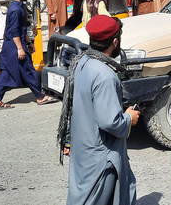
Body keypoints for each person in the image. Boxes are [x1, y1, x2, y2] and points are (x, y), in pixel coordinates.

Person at [60, 15, 140, 205]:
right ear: (115, 42)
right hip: (100, 157)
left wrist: (68, 138)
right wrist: (129, 118)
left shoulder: (81, 62)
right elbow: (109, 121)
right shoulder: (105, 75)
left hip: (83, 150)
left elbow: (71, 105)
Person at [0, 0, 55, 110]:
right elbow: (14, 32)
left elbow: (21, 29)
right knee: (28, 70)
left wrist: (29, 43)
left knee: (6, 73)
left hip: (11, 46)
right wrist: (20, 48)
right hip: (14, 46)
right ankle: (40, 97)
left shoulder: (18, 7)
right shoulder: (15, 9)